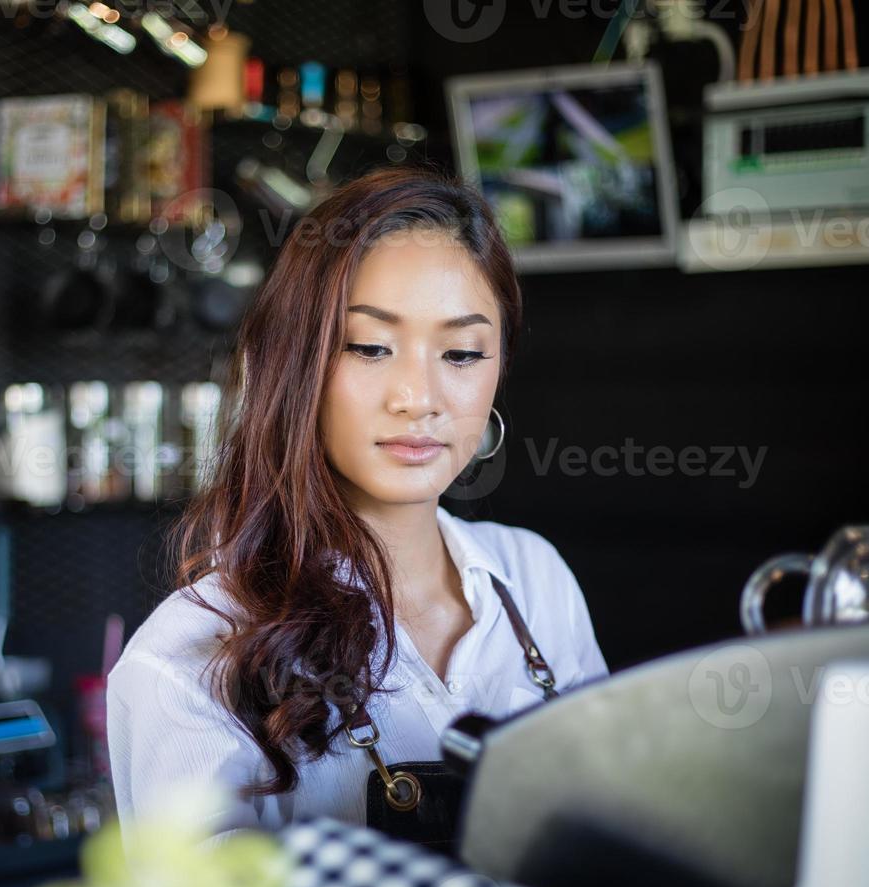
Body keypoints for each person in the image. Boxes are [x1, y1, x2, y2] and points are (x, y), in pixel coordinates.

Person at [106, 166, 608, 850]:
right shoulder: (188, 658)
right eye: (370, 347)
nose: (418, 397)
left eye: (461, 353)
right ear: (296, 365)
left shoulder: (534, 577)